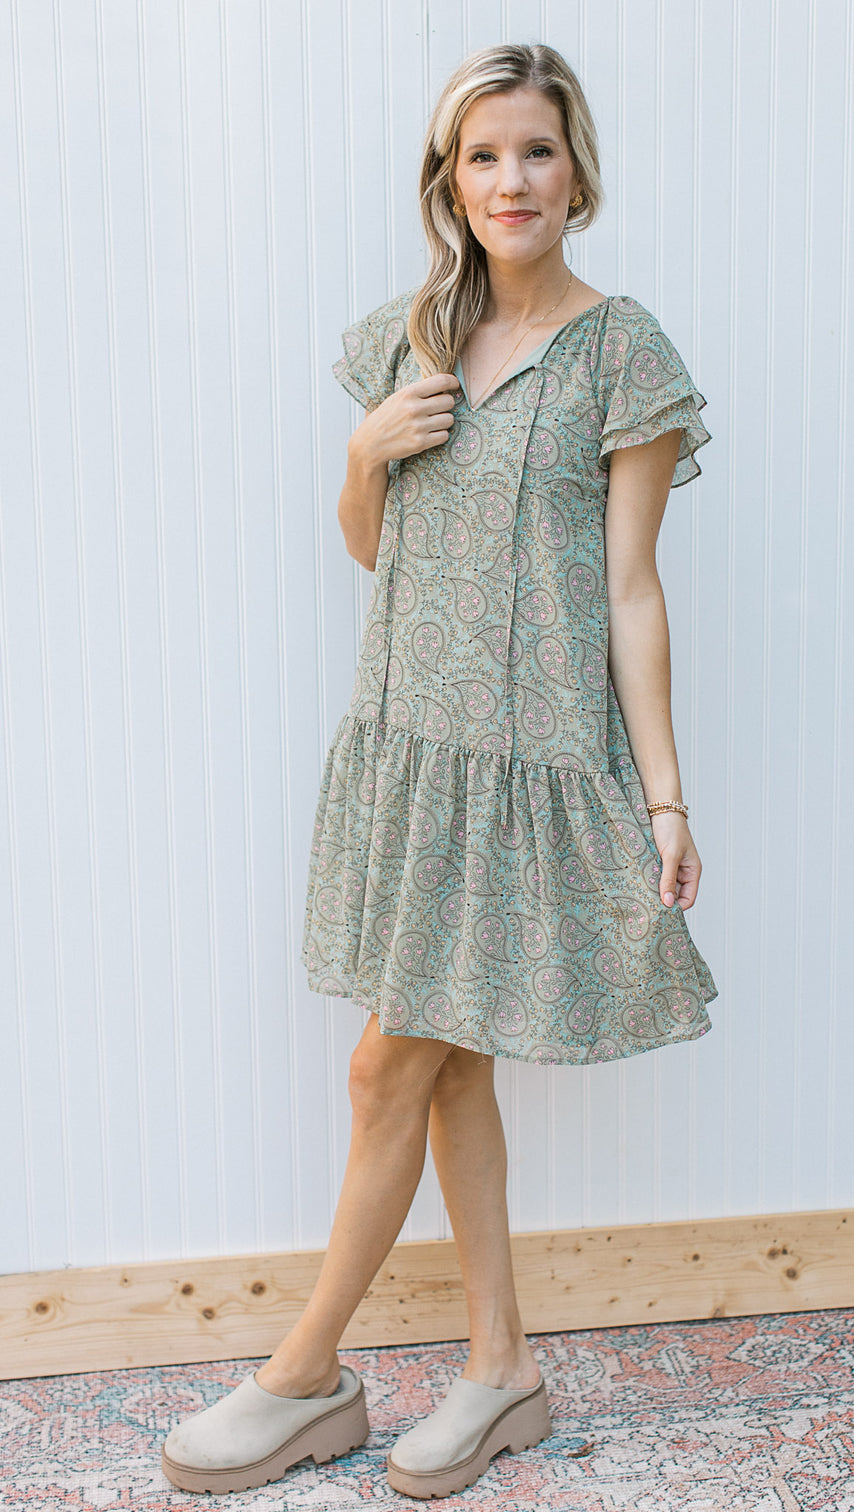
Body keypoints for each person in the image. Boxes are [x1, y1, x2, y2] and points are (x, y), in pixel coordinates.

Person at [161, 39, 718, 1502]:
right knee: (448, 1062)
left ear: (575, 169)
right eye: (482, 156)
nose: (510, 180)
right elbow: (369, 545)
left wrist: (664, 794)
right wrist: (363, 454)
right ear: (448, 181)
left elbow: (633, 594)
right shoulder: (403, 339)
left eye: (535, 151)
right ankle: (500, 1369)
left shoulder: (623, 354)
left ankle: (302, 1377)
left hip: (529, 762)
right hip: (412, 746)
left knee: (385, 1063)